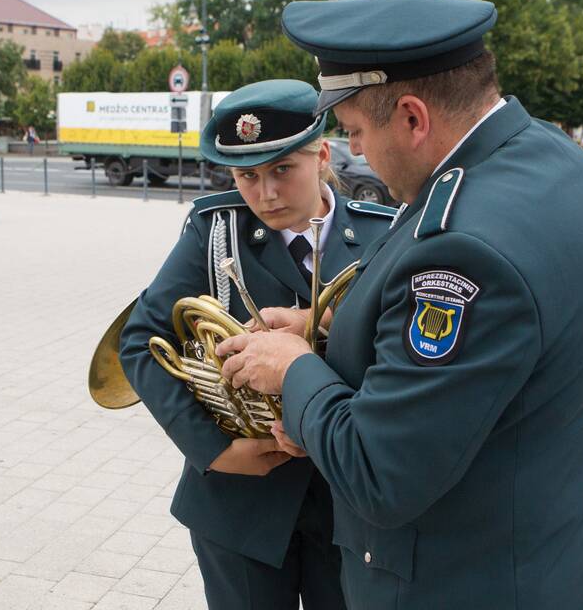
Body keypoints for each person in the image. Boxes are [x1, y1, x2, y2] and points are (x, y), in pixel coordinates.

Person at [217, 0, 583, 608]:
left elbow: (380, 474)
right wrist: (324, 323)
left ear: (412, 117)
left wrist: (293, 369)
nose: (359, 154)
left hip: (465, 582)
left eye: (354, 132)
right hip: (552, 558)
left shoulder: (463, 248)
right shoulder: (551, 158)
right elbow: (491, 358)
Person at [119, 79, 395, 610]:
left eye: (282, 171)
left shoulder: (383, 234)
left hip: (345, 503)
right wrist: (216, 450)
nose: (264, 193)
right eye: (247, 175)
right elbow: (139, 343)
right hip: (238, 502)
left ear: (321, 154)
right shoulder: (214, 229)